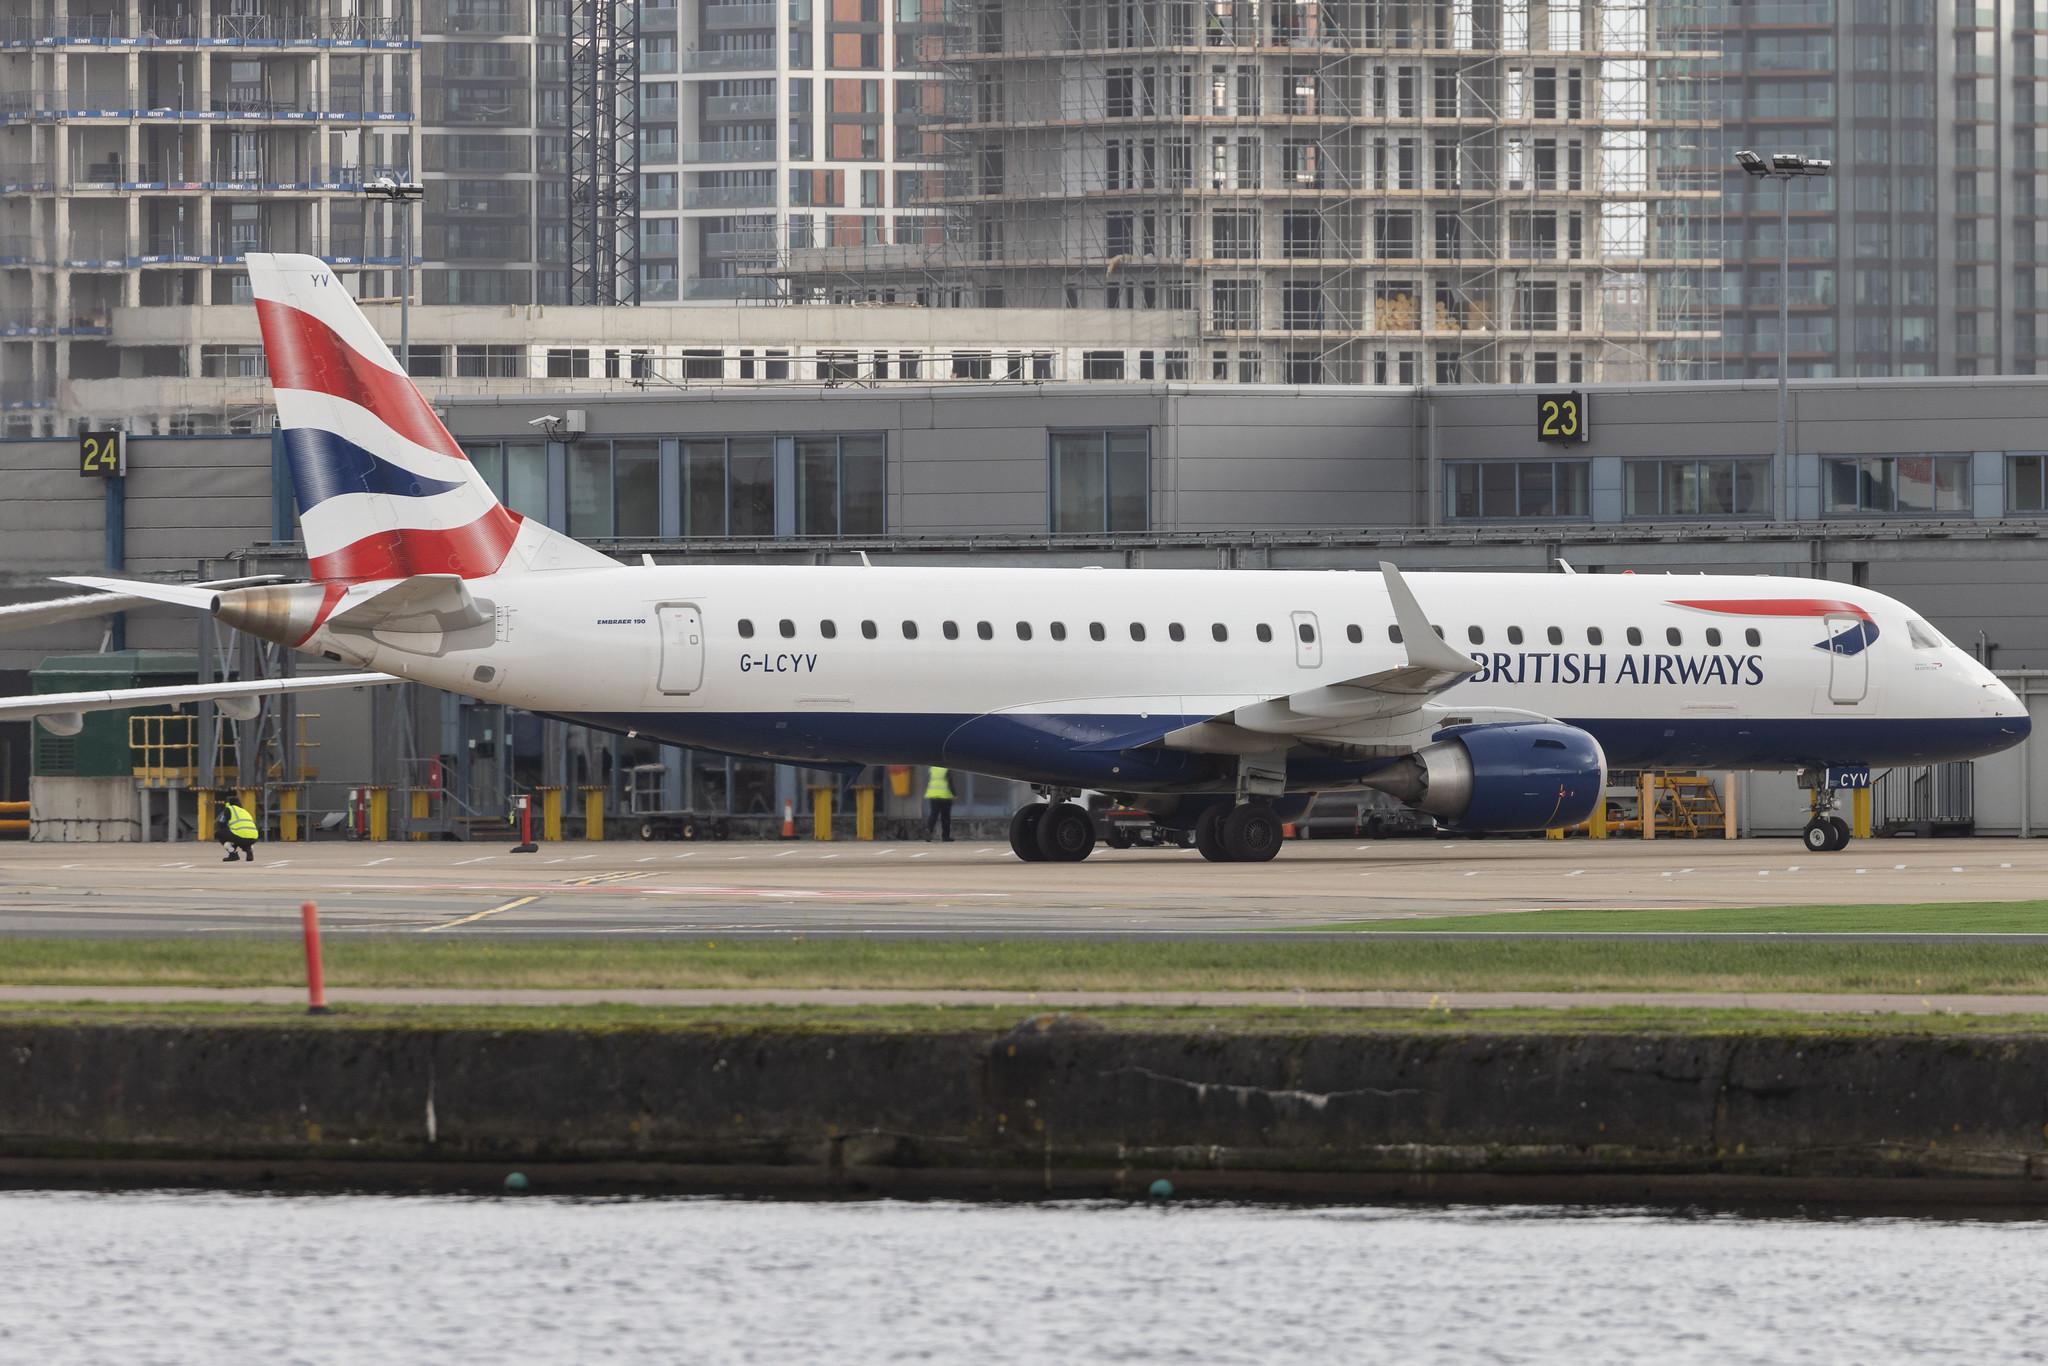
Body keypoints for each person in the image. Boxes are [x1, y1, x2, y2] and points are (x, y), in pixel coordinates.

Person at [218, 792, 259, 863]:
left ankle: (233, 854)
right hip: (254, 837)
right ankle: (249, 850)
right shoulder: (244, 811)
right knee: (238, 836)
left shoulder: (229, 809)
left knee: (220, 833)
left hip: (240, 836)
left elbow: (221, 823)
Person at [923, 766, 954, 842]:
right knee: (945, 817)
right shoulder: (945, 769)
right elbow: (950, 781)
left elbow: (928, 780)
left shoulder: (932, 768)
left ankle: (929, 829)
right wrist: (954, 793)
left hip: (933, 795)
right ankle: (945, 836)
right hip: (944, 795)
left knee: (933, 814)